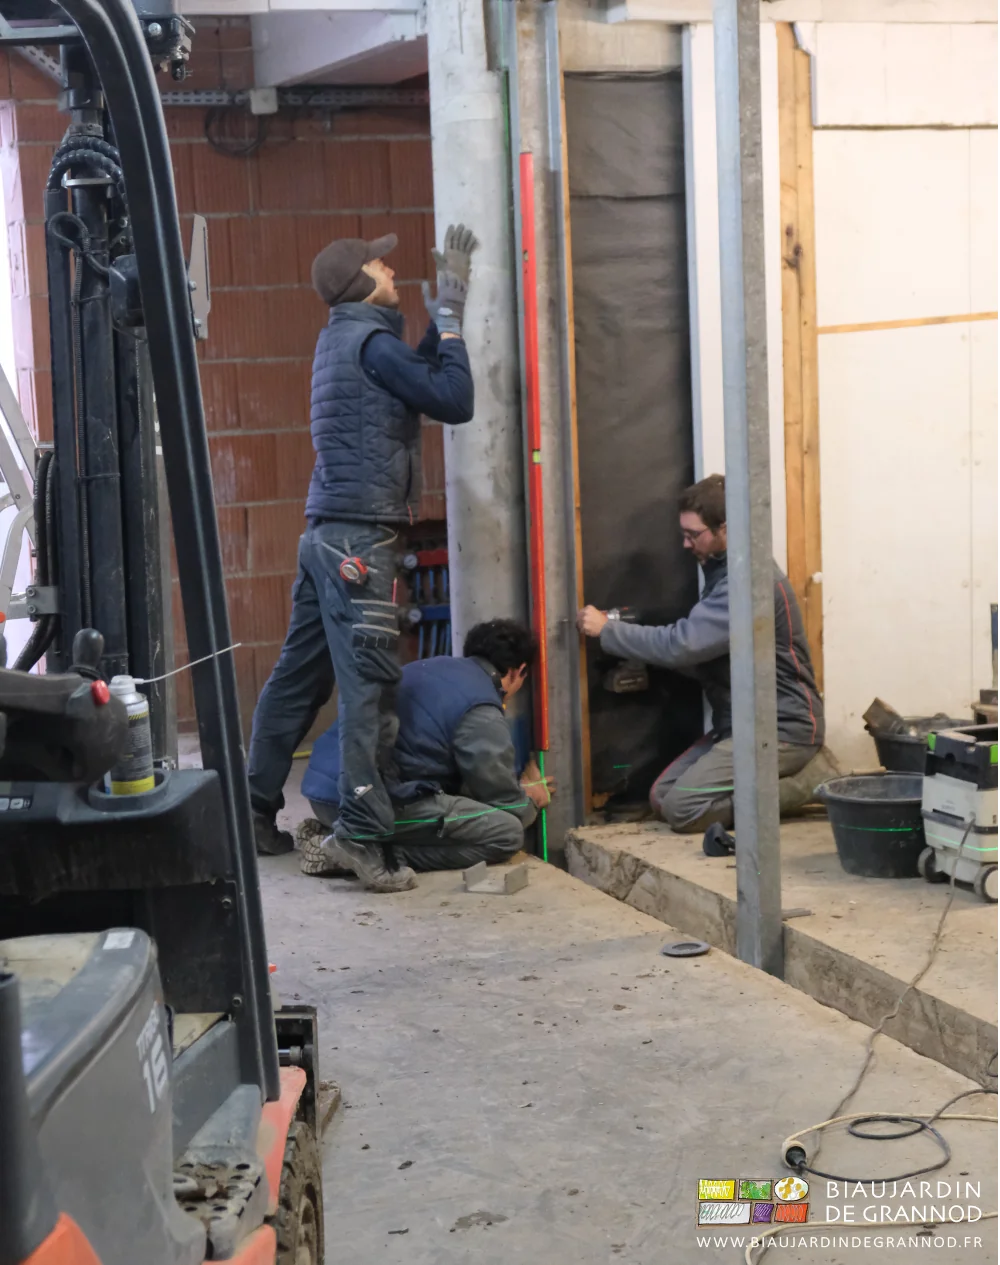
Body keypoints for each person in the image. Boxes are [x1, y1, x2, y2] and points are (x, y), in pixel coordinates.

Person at [247, 224, 480, 894]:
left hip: (325, 533)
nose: (390, 269)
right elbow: (453, 400)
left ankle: (253, 810)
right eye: (380, 264)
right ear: (360, 284)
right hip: (360, 545)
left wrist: (435, 329)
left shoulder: (343, 341)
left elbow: (412, 381)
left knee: (297, 679)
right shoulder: (372, 344)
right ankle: (360, 834)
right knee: (369, 694)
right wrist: (452, 323)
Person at [577, 473, 836, 836]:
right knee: (662, 796)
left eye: (693, 534)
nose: (685, 544)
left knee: (683, 809)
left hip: (781, 728)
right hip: (741, 725)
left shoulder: (746, 583)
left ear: (725, 529)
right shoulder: (724, 571)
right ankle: (776, 782)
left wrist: (609, 631)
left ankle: (812, 780)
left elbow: (683, 645)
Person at [298, 619, 552, 884]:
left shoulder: (430, 667)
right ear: (518, 671)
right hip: (360, 809)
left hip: (324, 794)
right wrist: (531, 800)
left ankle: (339, 837)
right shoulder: (481, 707)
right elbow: (502, 798)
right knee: (507, 833)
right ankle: (371, 854)